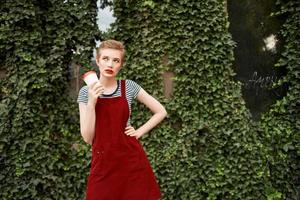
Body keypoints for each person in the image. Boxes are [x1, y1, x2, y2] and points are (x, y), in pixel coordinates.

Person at [77, 39, 167, 200]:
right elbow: (87, 137)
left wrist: (138, 132)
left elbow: (161, 111)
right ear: (97, 61)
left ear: (121, 65)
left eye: (116, 60)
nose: (110, 64)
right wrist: (91, 103)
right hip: (103, 164)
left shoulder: (129, 87)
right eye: (105, 59)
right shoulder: (86, 92)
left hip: (132, 162)